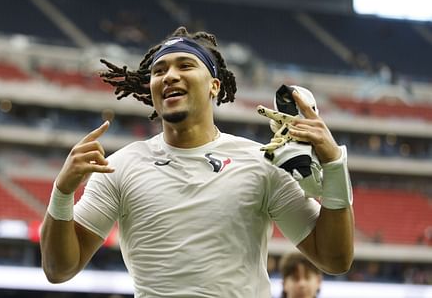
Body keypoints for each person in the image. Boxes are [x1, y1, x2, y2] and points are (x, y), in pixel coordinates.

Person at [40, 26, 354, 297]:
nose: (170, 76)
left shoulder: (261, 163)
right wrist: (62, 192)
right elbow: (58, 269)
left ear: (214, 86)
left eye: (185, 65)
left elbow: (334, 259)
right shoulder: (120, 167)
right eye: (159, 71)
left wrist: (334, 165)